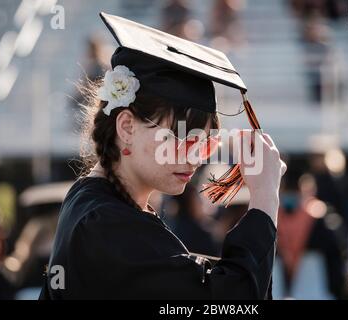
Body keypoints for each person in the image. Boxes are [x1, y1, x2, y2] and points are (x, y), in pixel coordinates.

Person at [40, 12, 286, 300]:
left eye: (205, 143)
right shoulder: (105, 223)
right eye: (183, 138)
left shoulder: (96, 203)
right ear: (127, 127)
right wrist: (265, 198)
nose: (195, 157)